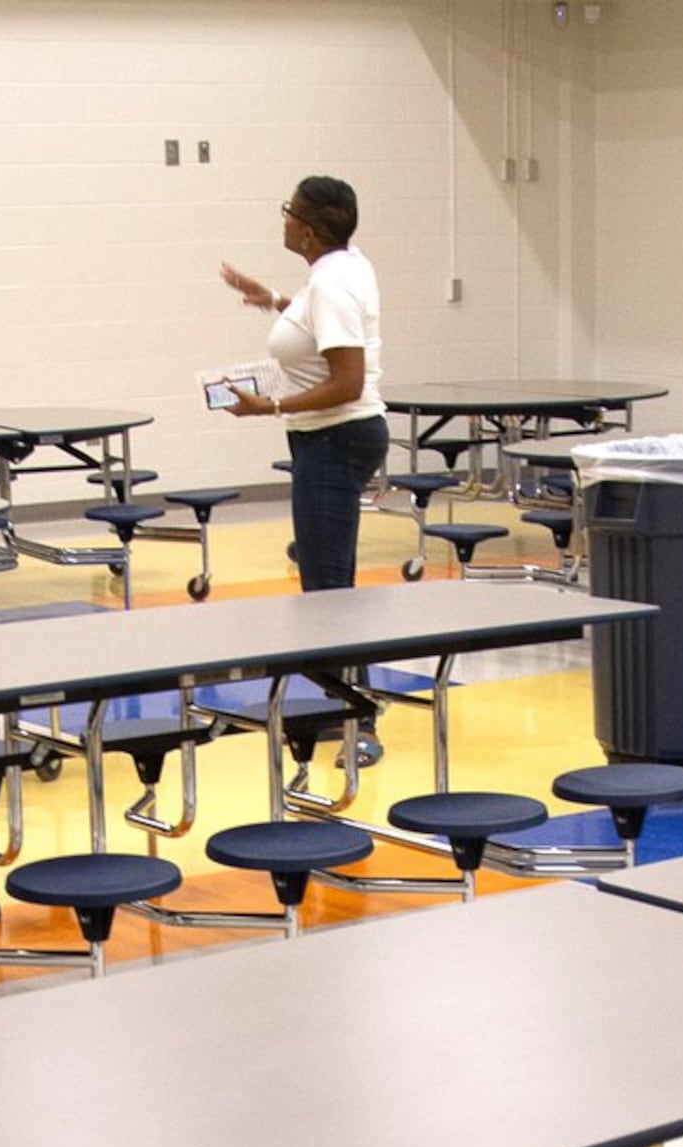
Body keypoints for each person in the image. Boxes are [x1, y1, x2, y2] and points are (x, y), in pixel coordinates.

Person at [218, 175, 386, 757]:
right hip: (330, 440)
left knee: (329, 592)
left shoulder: (334, 284)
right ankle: (345, 705)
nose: (283, 219)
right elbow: (323, 331)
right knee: (328, 583)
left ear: (308, 230)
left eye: (288, 211)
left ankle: (358, 722)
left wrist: (272, 405)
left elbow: (347, 382)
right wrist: (275, 302)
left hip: (335, 439)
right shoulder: (340, 268)